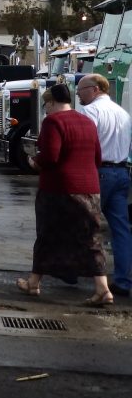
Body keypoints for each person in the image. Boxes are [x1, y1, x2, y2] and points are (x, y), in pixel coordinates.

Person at [18, 84, 112, 306]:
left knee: (47, 234)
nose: (46, 110)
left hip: (58, 189)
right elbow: (97, 157)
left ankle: (33, 283)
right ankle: (103, 289)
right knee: (91, 237)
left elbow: (50, 156)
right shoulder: (87, 122)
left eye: (46, 105)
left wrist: (33, 162)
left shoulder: (53, 122)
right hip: (90, 188)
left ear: (51, 102)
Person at [76, 73, 132, 298]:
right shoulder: (123, 114)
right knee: (121, 229)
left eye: (81, 89)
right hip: (121, 171)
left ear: (96, 89)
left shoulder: (90, 112)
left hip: (98, 173)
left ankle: (77, 272)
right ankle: (124, 281)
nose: (78, 93)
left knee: (83, 224)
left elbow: (84, 145)